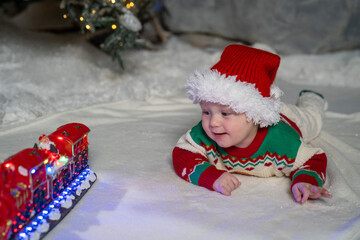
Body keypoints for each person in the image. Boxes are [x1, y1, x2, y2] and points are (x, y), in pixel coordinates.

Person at [172, 44, 332, 204]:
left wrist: (305, 180)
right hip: (261, 107)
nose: (213, 122)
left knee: (313, 117)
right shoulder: (205, 133)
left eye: (225, 113)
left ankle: (312, 97)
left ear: (254, 115)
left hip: (290, 119)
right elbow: (183, 153)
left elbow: (314, 159)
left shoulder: (281, 139)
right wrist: (210, 176)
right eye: (206, 111)